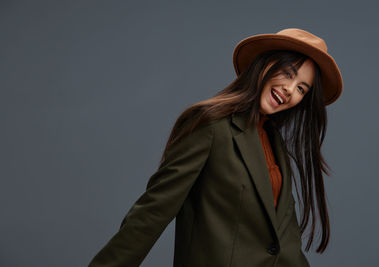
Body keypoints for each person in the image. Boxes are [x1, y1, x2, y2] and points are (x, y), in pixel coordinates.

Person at [88, 28, 343, 267]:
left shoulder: (272, 143)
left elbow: (284, 243)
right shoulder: (209, 125)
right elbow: (152, 213)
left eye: (301, 88)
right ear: (264, 65)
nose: (289, 90)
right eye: (287, 73)